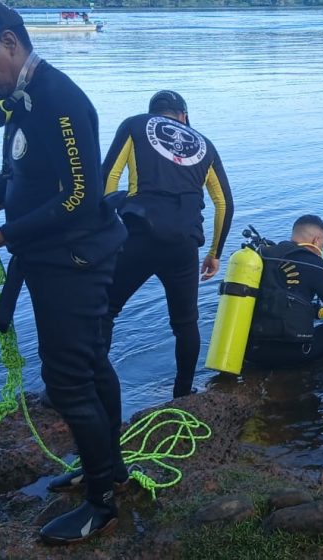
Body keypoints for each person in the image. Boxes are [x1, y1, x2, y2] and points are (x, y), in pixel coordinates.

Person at [0, 0, 128, 545]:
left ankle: (101, 504)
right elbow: (19, 170)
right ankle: (109, 468)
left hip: (76, 261)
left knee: (68, 382)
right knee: (92, 365)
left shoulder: (58, 98)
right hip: (55, 258)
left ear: (8, 43)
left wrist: (2, 236)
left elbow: (80, 195)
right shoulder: (17, 97)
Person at [101, 90, 234, 398]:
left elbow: (108, 178)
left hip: (140, 236)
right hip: (184, 244)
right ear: (184, 118)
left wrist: (106, 231)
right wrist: (214, 253)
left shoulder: (135, 125)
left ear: (154, 113)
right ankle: (183, 395)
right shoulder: (205, 144)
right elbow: (224, 204)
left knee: (105, 310)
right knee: (186, 323)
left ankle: (96, 386)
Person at [245, 215, 323, 368]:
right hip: (290, 354)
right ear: (316, 241)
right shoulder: (314, 264)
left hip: (249, 350)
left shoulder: (263, 255)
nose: (321, 250)